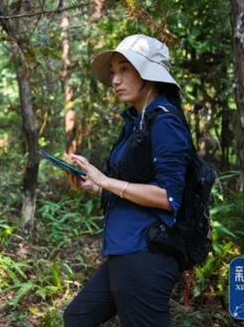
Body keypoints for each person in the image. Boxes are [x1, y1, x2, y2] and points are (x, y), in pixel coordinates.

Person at [63, 34, 191, 327]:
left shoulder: (166, 121)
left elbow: (168, 196)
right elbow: (130, 184)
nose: (115, 80)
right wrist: (93, 184)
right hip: (125, 249)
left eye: (125, 69)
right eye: (112, 72)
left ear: (149, 74)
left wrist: (105, 181)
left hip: (145, 254)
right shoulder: (137, 123)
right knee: (77, 317)